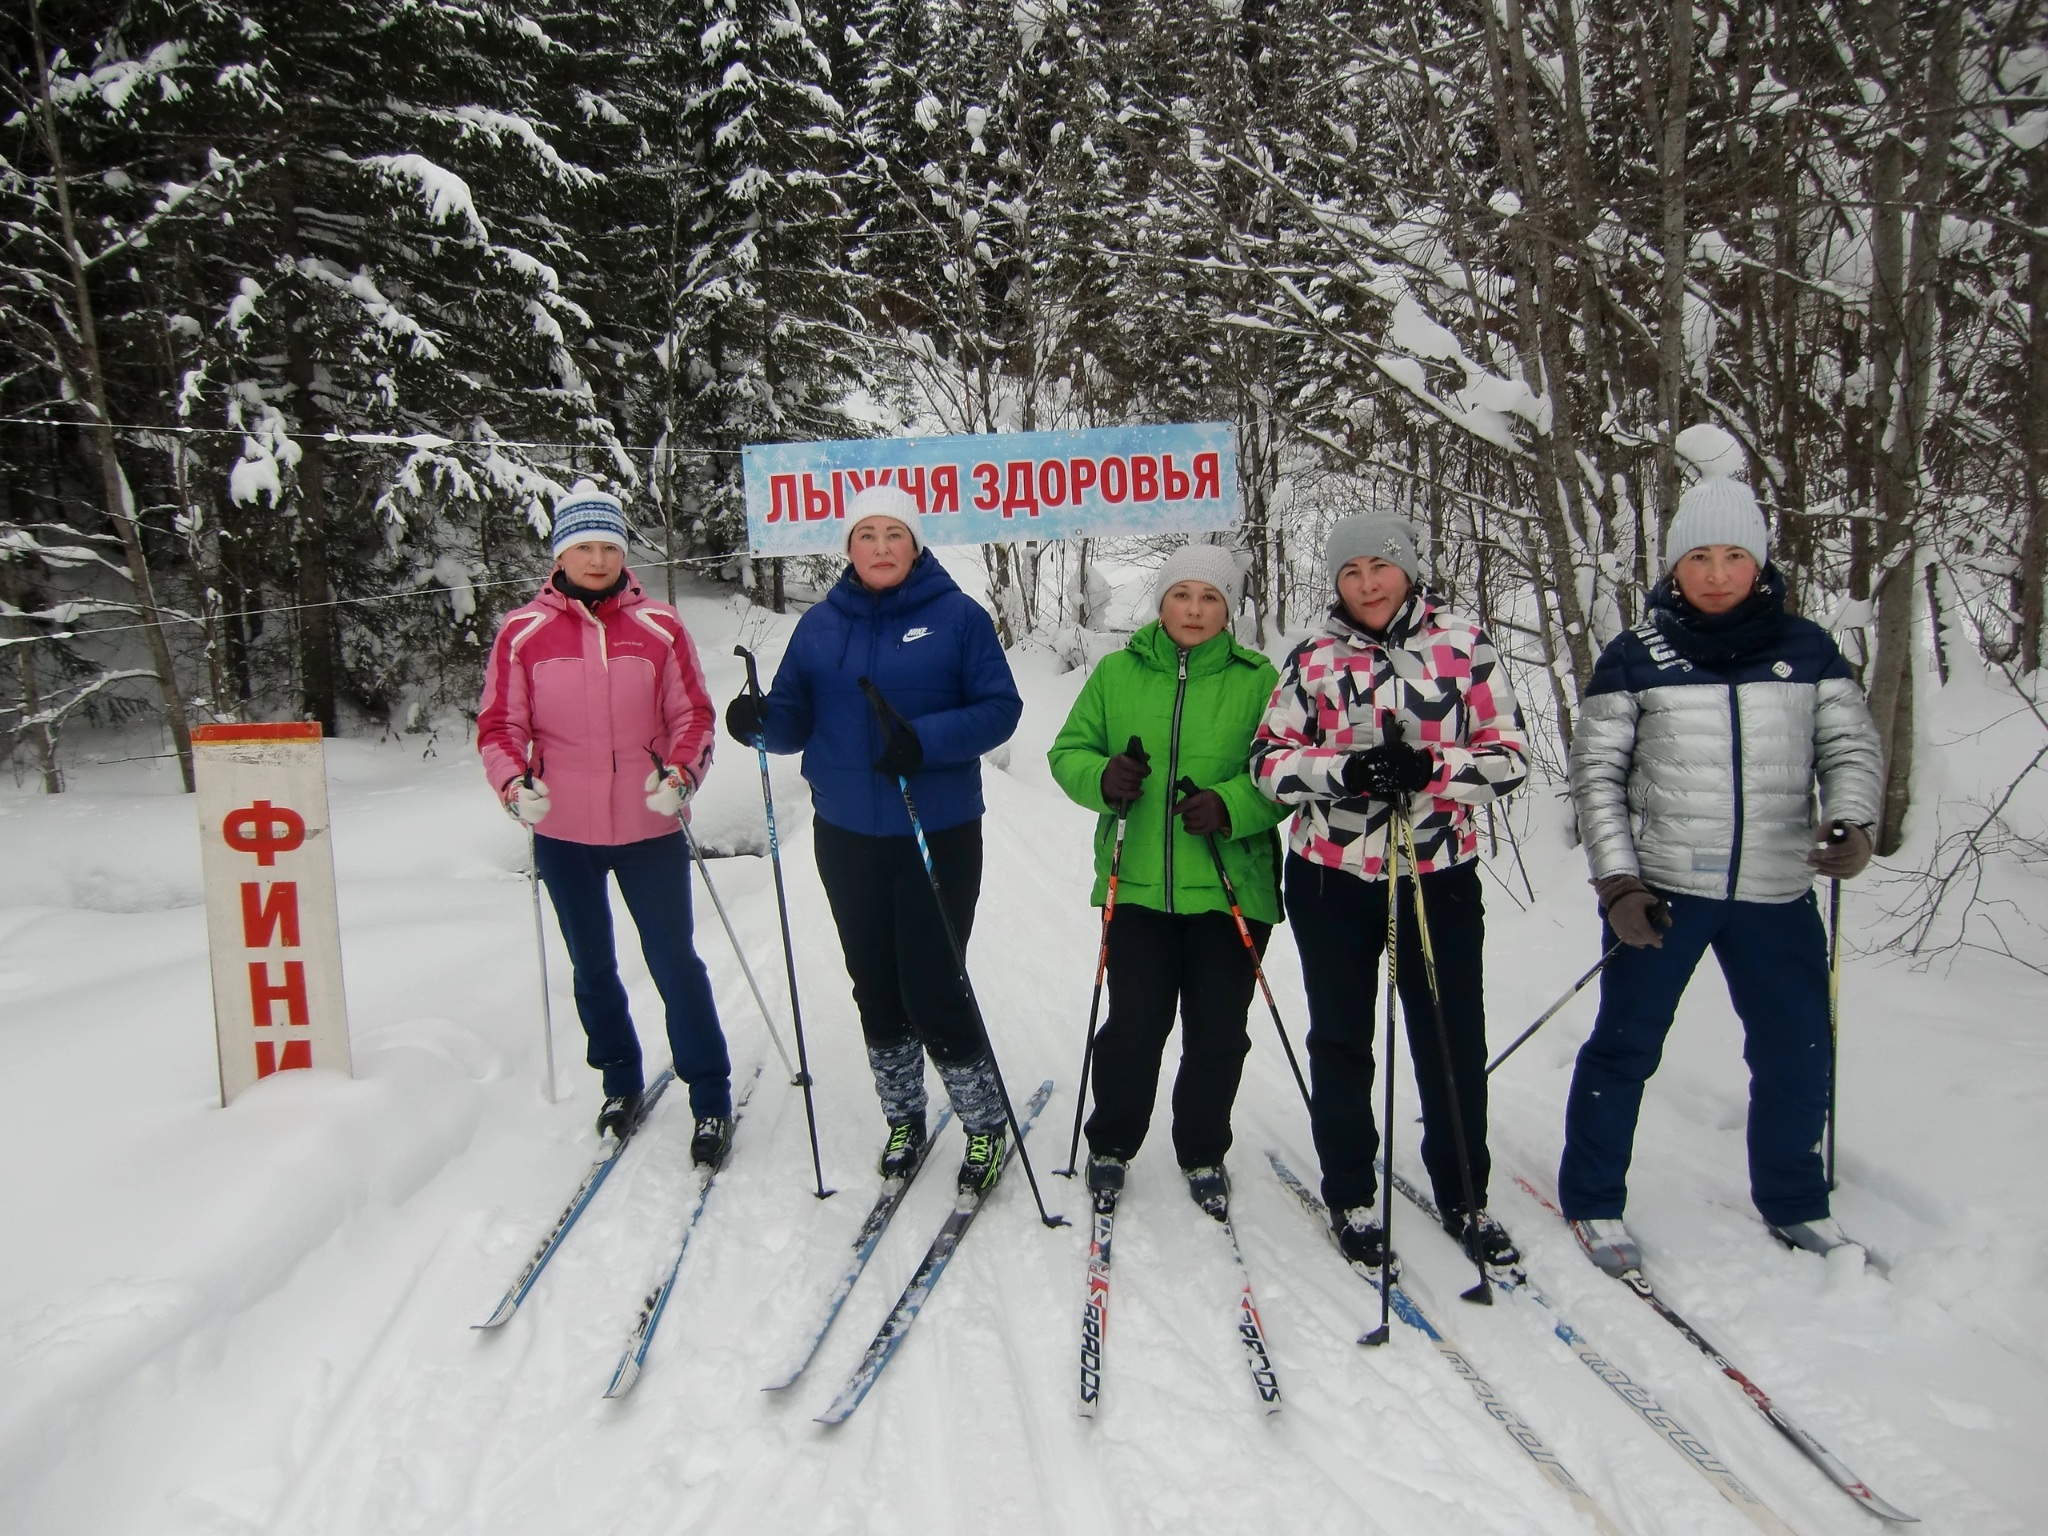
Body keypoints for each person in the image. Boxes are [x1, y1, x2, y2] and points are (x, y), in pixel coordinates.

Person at [1560, 476, 1882, 1274]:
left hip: (1777, 888)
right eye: (1698, 557)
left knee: (1797, 1051)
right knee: (1626, 1046)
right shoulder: (1636, 656)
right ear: (1674, 567)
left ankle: (1796, 1201)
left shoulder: (1807, 649)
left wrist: (1854, 820)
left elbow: (1850, 748)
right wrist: (1618, 884)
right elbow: (1596, 777)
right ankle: (1595, 1198)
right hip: (1664, 890)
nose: (1715, 573)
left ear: (1759, 564)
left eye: (1734, 555)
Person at [723, 484, 1023, 1194]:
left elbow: (1000, 710)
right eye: (867, 535)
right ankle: (905, 1117)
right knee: (876, 985)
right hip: (848, 833)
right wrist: (760, 722)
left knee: (932, 984)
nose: (881, 548)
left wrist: (925, 741)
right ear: (849, 548)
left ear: (915, 545)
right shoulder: (820, 626)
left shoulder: (959, 619)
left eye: (895, 534)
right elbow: (795, 717)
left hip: (936, 829)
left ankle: (983, 1124)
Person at [1251, 513, 1528, 1268]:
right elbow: (1268, 763)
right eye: (1351, 573)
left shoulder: (1464, 647)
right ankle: (1349, 1190)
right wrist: (1341, 773)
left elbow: (1510, 758)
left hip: (1434, 874)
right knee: (1341, 1038)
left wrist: (1434, 772)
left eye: (1380, 567)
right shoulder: (1311, 657)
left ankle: (1464, 1192)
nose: (1367, 584)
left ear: (1408, 568)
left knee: (1448, 1037)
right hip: (1331, 876)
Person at [477, 481, 733, 1166]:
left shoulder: (660, 629)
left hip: (649, 828)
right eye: (583, 547)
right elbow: (500, 725)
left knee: (675, 962)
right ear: (560, 554)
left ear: (624, 553)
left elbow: (694, 718)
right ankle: (619, 1081)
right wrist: (513, 784)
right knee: (592, 966)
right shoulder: (523, 633)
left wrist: (681, 776)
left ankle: (709, 1094)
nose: (596, 560)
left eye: (608, 546)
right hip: (563, 832)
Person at [1047, 546, 1291, 1216]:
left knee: (1217, 1034)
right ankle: (1112, 1143)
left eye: (1210, 597)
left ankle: (1203, 1148)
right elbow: (1068, 751)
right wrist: (1103, 779)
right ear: (1161, 603)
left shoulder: (1259, 679)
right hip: (1139, 889)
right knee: (1133, 1029)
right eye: (1182, 595)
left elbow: (1286, 774)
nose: (1194, 609)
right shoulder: (1119, 673)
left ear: (1229, 609)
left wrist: (1232, 806)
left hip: (1231, 888)